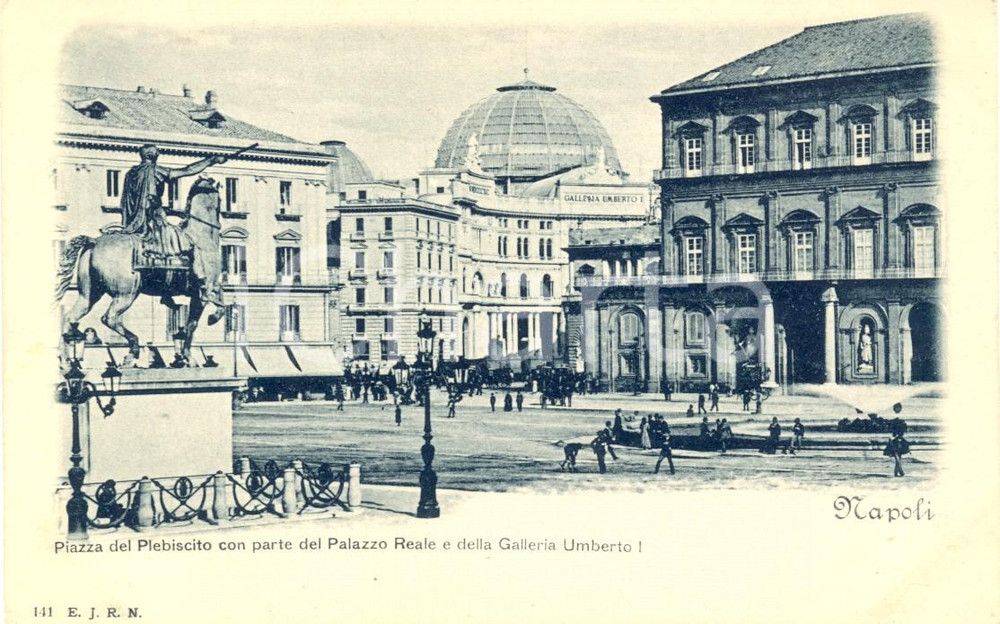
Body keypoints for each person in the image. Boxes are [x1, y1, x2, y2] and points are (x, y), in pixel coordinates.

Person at [121, 143, 231, 313]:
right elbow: (188, 170)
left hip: (136, 220)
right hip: (152, 219)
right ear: (152, 155)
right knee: (189, 244)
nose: (159, 153)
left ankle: (167, 292)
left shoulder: (131, 173)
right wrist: (212, 160)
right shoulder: (155, 170)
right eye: (157, 151)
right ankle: (202, 282)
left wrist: (168, 210)